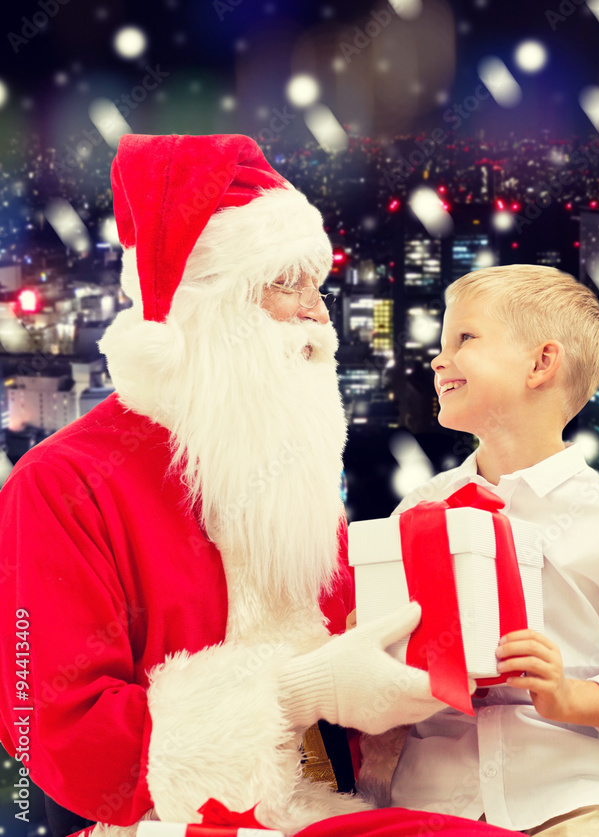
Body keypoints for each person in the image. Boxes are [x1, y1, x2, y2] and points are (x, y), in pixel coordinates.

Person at [0, 134, 519, 837]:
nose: (317, 314)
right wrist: (299, 692)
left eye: (318, 284)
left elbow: (351, 665)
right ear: (207, 303)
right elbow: (58, 741)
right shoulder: (59, 485)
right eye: (286, 283)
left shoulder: (290, 472)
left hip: (341, 805)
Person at [384, 265, 599, 835]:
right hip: (434, 801)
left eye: (465, 339)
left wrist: (569, 696)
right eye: (441, 343)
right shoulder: (419, 513)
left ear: (540, 363)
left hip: (574, 801)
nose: (438, 358)